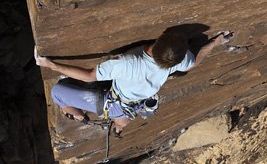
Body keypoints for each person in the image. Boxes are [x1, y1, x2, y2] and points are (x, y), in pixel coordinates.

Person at [35, 29, 232, 135]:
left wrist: (51, 65)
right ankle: (120, 126)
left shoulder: (129, 63)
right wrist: (215, 42)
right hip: (134, 104)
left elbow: (89, 76)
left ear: (159, 39)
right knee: (121, 120)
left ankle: (77, 116)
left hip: (115, 102)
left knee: (57, 93)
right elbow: (194, 62)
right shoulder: (175, 62)